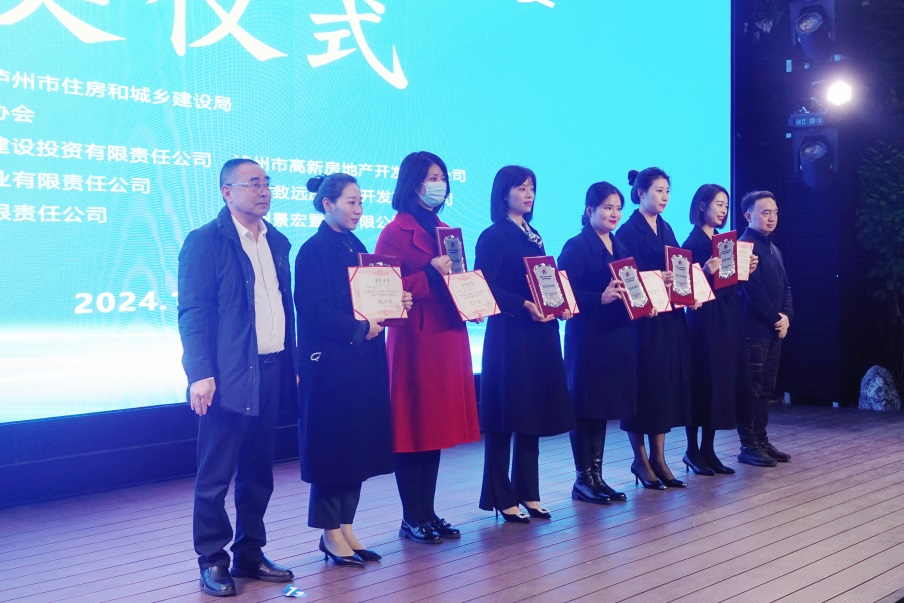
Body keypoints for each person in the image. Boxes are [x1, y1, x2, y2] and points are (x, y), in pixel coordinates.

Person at [178, 158, 296, 597]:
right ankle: (212, 559)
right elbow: (193, 312)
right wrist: (200, 373)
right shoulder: (205, 241)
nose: (264, 191)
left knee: (258, 471)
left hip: (272, 368)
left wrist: (292, 365)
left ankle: (250, 552)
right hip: (227, 376)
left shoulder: (276, 240)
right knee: (215, 476)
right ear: (227, 192)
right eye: (253, 183)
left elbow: (282, 307)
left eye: (267, 183)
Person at [294, 173, 411, 566]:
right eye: (351, 202)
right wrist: (359, 328)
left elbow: (370, 297)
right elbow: (312, 311)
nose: (359, 210)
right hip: (330, 363)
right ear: (327, 204)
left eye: (361, 202)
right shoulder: (312, 250)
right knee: (334, 447)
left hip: (362, 360)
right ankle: (330, 533)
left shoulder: (356, 245)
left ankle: (346, 526)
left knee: (357, 444)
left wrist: (396, 301)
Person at [374, 151, 481, 543]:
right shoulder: (393, 232)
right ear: (413, 182)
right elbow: (382, 291)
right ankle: (411, 516)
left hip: (447, 334)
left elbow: (458, 280)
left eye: (443, 177)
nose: (440, 184)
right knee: (412, 428)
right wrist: (428, 275)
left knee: (433, 429)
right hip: (414, 340)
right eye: (432, 177)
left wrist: (473, 301)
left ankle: (429, 513)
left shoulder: (447, 231)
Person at [474, 165, 575, 522]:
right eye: (521, 188)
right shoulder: (492, 235)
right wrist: (522, 304)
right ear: (504, 194)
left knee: (531, 413)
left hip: (539, 333)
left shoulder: (534, 235)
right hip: (510, 335)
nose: (529, 194)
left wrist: (561, 302)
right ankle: (501, 497)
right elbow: (484, 283)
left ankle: (529, 492)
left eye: (532, 187)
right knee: (505, 416)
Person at [558, 182, 635, 504]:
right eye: (607, 208)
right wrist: (598, 298)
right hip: (587, 336)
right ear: (589, 210)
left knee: (601, 406)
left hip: (614, 336)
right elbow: (561, 292)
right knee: (584, 407)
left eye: (618, 208)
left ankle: (597, 476)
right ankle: (583, 479)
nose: (614, 214)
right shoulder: (576, 246)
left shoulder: (619, 246)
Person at [616, 167, 691, 490]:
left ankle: (659, 458)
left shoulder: (666, 226)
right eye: (658, 191)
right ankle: (640, 458)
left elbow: (678, 265)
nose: (664, 197)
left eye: (667, 191)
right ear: (640, 193)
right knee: (642, 388)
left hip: (667, 317)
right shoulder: (627, 231)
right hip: (642, 321)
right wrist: (657, 278)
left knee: (662, 389)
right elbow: (626, 275)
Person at [681, 184, 758, 475]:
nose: (723, 210)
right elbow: (684, 289)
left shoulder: (724, 242)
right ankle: (691, 450)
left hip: (727, 317)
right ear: (702, 205)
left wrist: (745, 269)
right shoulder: (691, 243)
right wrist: (704, 271)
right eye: (718, 204)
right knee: (702, 382)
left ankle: (708, 449)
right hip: (703, 321)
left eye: (726, 205)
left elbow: (729, 283)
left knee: (721, 382)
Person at [736, 190, 793, 466]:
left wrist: (787, 317)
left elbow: (786, 287)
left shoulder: (775, 249)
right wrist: (775, 318)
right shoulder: (743, 247)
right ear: (748, 216)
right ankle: (748, 445)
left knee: (767, 389)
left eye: (775, 212)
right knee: (752, 390)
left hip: (773, 331)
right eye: (765, 212)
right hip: (753, 331)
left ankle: (761, 440)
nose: (772, 218)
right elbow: (752, 292)